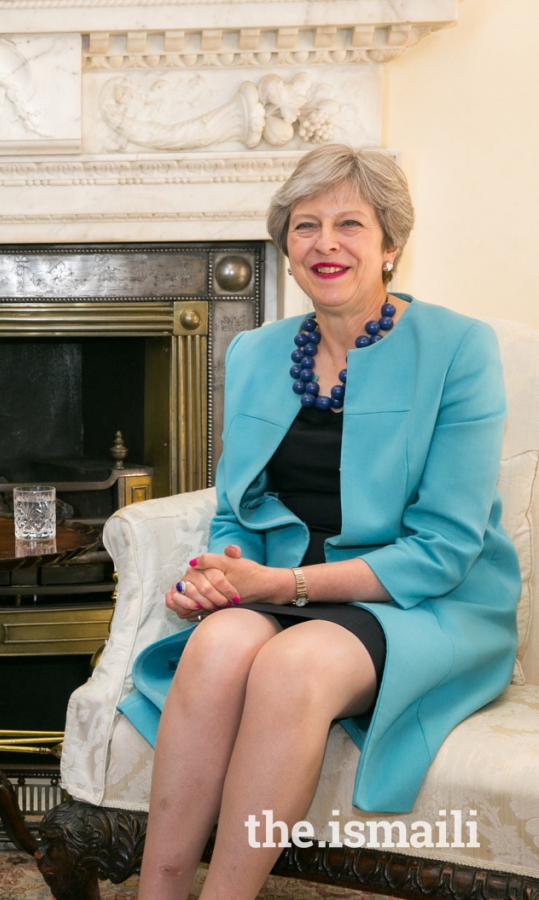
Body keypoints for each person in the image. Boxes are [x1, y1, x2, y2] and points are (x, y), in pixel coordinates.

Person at [115, 143, 520, 900]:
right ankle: (157, 891)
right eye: (306, 226)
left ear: (390, 244)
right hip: (283, 583)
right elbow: (238, 508)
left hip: (422, 600)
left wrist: (282, 581)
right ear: (287, 249)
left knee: (291, 669)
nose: (325, 244)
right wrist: (215, 578)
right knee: (215, 648)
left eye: (350, 224)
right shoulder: (258, 351)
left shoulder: (458, 350)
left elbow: (445, 549)